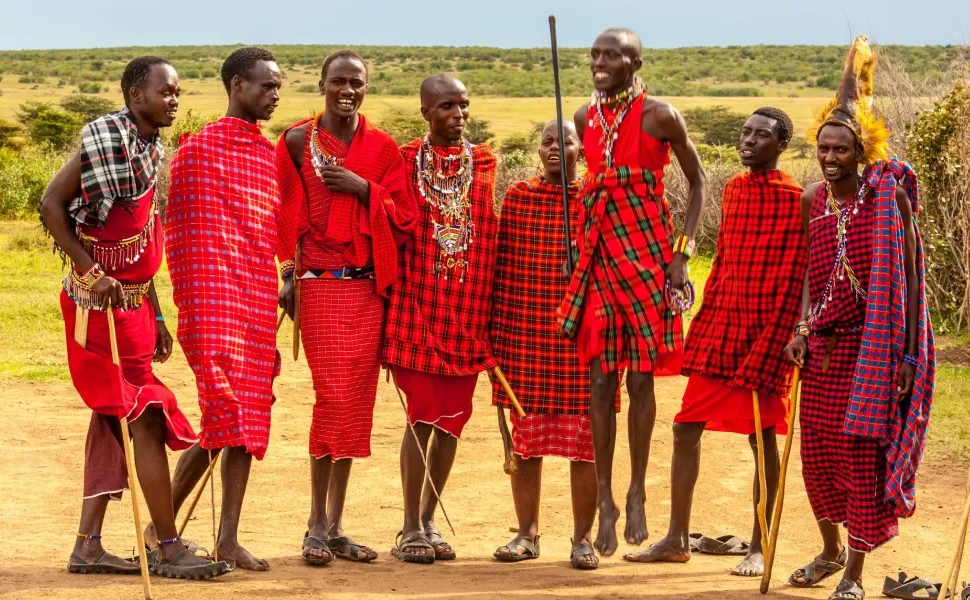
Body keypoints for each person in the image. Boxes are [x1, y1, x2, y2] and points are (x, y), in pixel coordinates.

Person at [39, 56, 229, 580]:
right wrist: (91, 268)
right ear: (133, 95)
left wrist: (158, 311)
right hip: (95, 308)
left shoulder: (149, 149)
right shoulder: (103, 144)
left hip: (135, 308)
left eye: (177, 92)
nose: (173, 100)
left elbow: (146, 237)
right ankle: (167, 546)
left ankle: (88, 546)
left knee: (110, 421)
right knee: (144, 413)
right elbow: (51, 205)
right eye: (164, 92)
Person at [624, 108, 808, 576]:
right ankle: (676, 539)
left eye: (761, 135)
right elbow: (725, 257)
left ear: (781, 145)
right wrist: (704, 311)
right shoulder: (734, 189)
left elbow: (800, 270)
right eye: (746, 132)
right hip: (723, 320)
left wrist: (792, 332)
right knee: (686, 426)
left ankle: (761, 544)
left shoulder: (798, 198)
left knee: (761, 438)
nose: (749, 140)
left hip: (767, 330)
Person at [783, 36, 935, 600]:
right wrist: (800, 329)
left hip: (874, 352)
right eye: (823, 147)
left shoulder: (885, 197)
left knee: (860, 460)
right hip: (824, 351)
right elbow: (808, 276)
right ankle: (829, 550)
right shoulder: (811, 201)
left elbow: (912, 278)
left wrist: (909, 354)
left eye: (841, 149)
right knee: (817, 456)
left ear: (861, 152)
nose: (829, 157)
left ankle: (855, 574)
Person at [556, 27, 706, 557]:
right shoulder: (583, 118)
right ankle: (605, 497)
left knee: (642, 378)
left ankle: (637, 489)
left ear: (635, 62)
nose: (600, 61)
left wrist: (681, 255)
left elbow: (698, 183)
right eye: (595, 53)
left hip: (646, 256)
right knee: (600, 379)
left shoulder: (660, 115)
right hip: (599, 255)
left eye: (612, 54)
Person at [276, 49, 417, 565]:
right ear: (321, 83)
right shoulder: (295, 140)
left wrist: (364, 190)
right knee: (331, 399)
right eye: (338, 80)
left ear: (366, 88)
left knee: (356, 405)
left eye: (356, 82)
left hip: (366, 289)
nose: (347, 90)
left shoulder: (382, 148)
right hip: (319, 285)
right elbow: (284, 214)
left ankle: (336, 526)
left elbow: (406, 216)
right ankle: (314, 524)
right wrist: (288, 275)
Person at [161, 46, 283, 571]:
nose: (274, 94)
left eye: (278, 86)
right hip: (210, 298)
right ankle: (160, 531)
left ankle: (227, 537)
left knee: (248, 416)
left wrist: (277, 281)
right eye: (265, 86)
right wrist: (191, 298)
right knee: (224, 414)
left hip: (255, 296)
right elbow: (181, 234)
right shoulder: (198, 150)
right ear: (237, 85)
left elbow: (267, 228)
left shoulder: (264, 152)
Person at [384, 74, 498, 564]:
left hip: (469, 312)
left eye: (464, 105)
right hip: (416, 308)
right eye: (448, 106)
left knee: (453, 422)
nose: (459, 114)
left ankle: (430, 518)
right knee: (421, 417)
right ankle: (409, 525)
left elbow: (492, 230)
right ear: (426, 111)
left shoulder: (487, 163)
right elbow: (388, 218)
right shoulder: (405, 161)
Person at [489, 119, 604, 569]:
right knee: (527, 441)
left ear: (583, 149)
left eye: (566, 141)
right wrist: (493, 334)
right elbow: (501, 265)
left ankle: (582, 539)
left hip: (583, 338)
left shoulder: (597, 198)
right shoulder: (520, 197)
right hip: (525, 332)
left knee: (586, 443)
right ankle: (526, 533)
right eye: (548, 141)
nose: (555, 148)